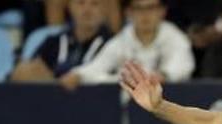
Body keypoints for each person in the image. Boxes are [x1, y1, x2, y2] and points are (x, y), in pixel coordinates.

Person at [62, 0, 193, 89]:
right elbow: (98, 66)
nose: (145, 14)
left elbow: (182, 65)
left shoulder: (175, 37)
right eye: (139, 9)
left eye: (151, 8)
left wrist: (164, 75)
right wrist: (78, 74)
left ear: (162, 11)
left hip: (170, 102)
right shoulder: (121, 40)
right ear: (129, 13)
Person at [10, 0, 110, 82]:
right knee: (23, 70)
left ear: (104, 9)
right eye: (81, 2)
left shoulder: (111, 44)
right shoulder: (53, 42)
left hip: (92, 99)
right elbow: (31, 70)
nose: (87, 10)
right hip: (51, 99)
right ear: (70, 6)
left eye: (95, 3)